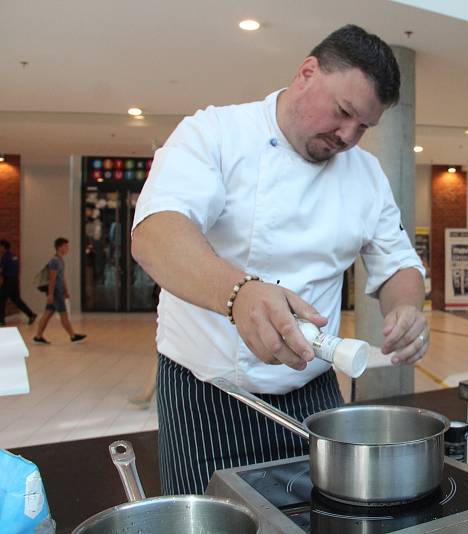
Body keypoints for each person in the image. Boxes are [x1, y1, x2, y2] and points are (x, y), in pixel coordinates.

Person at [131, 24, 428, 495]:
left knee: (323, 517)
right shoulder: (215, 133)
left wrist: (407, 308)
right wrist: (239, 293)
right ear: (307, 73)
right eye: (343, 112)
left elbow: (398, 264)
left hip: (313, 389)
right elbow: (155, 233)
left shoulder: (366, 174)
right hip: (206, 391)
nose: (348, 136)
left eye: (364, 127)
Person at [33, 238, 86, 344]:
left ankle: (38, 336)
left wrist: (65, 290)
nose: (67, 248)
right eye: (65, 246)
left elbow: (62, 277)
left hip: (59, 291)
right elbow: (52, 279)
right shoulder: (55, 261)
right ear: (59, 247)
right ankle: (72, 335)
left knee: (48, 313)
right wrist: (51, 294)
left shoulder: (60, 260)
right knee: (63, 314)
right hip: (56, 292)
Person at [0, 239, 37, 326]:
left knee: (1, 298)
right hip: (15, 280)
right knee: (16, 299)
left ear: (3, 247)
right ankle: (31, 315)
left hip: (8, 280)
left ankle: (1, 320)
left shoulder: (5, 257)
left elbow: (1, 269)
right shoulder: (14, 256)